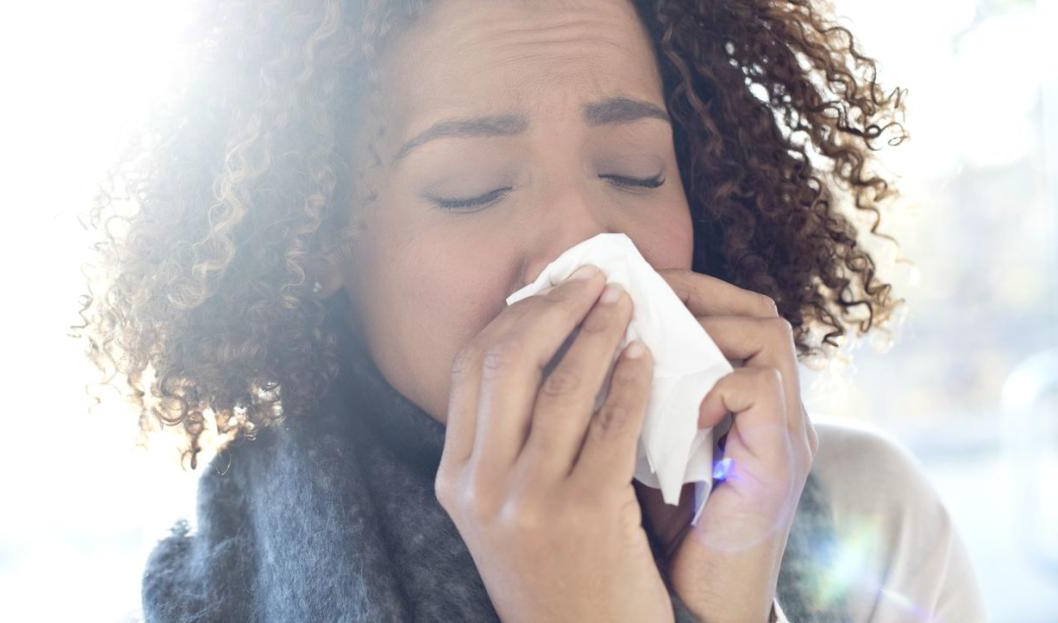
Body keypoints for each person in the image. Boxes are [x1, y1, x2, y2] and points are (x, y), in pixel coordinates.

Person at [77, 0, 986, 620]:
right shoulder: (221, 592)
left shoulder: (877, 521)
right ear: (315, 242)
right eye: (472, 189)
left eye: (636, 170)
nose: (581, 243)